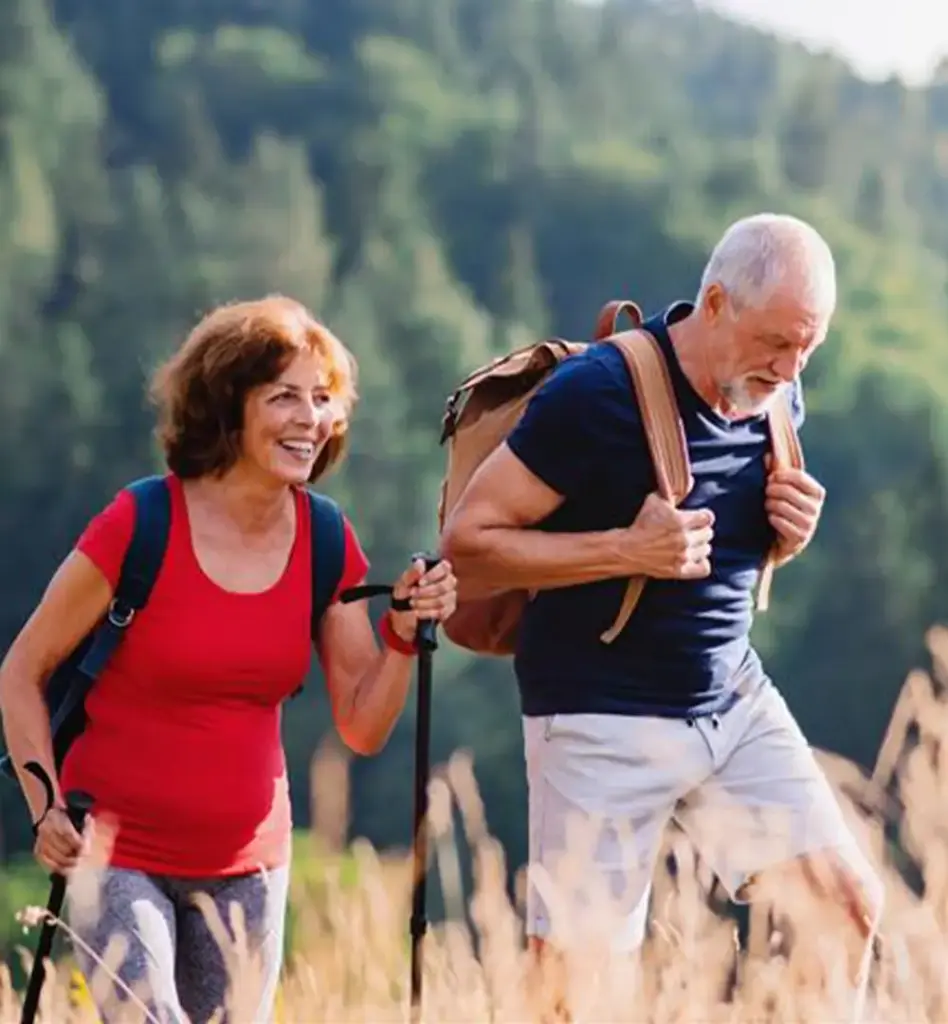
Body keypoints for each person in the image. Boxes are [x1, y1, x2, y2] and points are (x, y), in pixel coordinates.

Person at [441, 214, 883, 1018]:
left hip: (730, 701)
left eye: (807, 349)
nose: (789, 370)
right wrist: (622, 550)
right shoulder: (597, 395)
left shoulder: (780, 395)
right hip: (596, 714)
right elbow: (468, 544)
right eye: (777, 343)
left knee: (843, 909)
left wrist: (791, 534)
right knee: (578, 995)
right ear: (714, 303)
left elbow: (725, 547)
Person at [0, 295, 457, 1024]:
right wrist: (43, 804)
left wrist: (404, 632)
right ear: (226, 406)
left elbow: (363, 726)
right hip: (115, 852)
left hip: (250, 867)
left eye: (323, 398)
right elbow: (22, 670)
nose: (310, 418)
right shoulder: (141, 523)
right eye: (284, 397)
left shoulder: (327, 541)